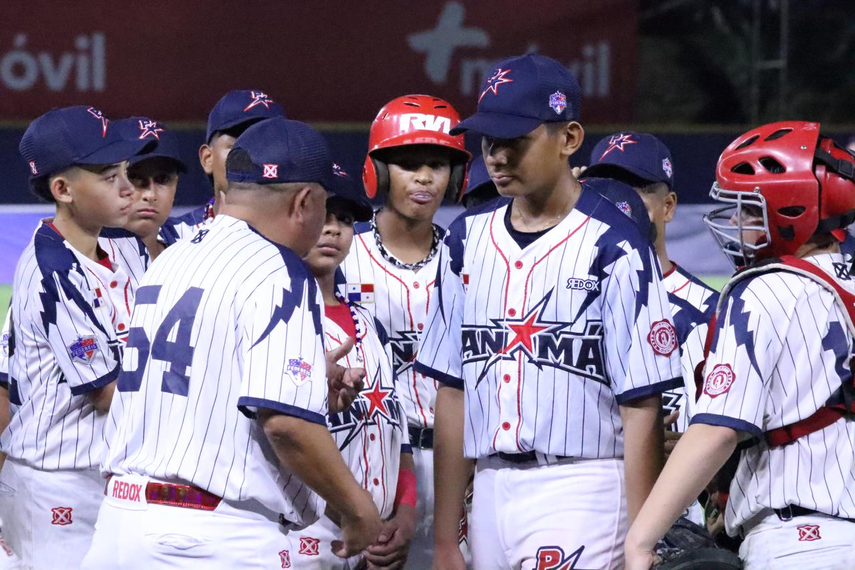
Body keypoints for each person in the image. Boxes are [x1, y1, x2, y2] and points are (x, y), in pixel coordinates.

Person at [415, 53, 682, 570]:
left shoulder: (617, 245)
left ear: (569, 138)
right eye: (489, 141)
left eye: (515, 140)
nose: (496, 156)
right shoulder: (466, 240)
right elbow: (452, 389)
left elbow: (641, 405)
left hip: (583, 486)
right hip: (490, 487)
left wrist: (644, 538)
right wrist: (446, 537)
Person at [81, 117, 382, 569]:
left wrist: (306, 378)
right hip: (209, 538)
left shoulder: (170, 257)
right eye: (324, 205)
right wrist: (358, 510)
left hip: (119, 525)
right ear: (304, 201)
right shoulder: (278, 269)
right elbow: (286, 426)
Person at [625, 121, 855, 570]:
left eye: (750, 210)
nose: (736, 221)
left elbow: (718, 431)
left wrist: (640, 539)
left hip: (799, 543)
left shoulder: (762, 289)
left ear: (794, 211)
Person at [0, 106, 152, 569]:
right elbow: (108, 393)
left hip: (103, 477)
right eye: (109, 176)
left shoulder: (125, 249)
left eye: (128, 171)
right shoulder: (54, 271)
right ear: (62, 190)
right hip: (54, 485)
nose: (129, 188)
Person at [339, 93, 471, 568]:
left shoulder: (474, 257)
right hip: (372, 458)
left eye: (437, 163)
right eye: (408, 163)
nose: (424, 177)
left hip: (463, 463)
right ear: (377, 171)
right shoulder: (342, 256)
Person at [585, 132, 720, 525]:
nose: (620, 199)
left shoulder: (709, 312)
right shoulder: (562, 295)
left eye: (638, 188)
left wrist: (692, 448)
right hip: (584, 497)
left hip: (679, 512)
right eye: (605, 187)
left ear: (669, 206)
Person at [290, 164, 417, 569]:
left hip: (376, 536)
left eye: (344, 220)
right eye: (324, 216)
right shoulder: (280, 316)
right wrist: (355, 514)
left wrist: (406, 512)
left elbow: (398, 429)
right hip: (306, 531)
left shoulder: (368, 321)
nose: (334, 230)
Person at [99, 116, 188, 288]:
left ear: (175, 185)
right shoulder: (79, 262)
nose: (150, 194)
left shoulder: (192, 252)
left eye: (162, 179)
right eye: (134, 177)